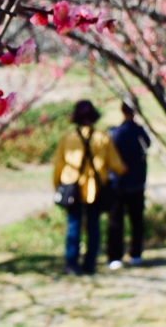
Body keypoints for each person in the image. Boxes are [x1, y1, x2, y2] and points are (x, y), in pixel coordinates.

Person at [53, 100, 125, 275]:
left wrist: (57, 186)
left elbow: (58, 165)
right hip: (96, 188)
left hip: (72, 188)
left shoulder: (68, 138)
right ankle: (90, 264)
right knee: (93, 227)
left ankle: (71, 264)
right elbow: (115, 163)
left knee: (74, 226)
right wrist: (123, 169)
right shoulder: (102, 137)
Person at [107, 102, 151, 270]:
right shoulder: (141, 134)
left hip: (118, 183)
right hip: (137, 182)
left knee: (116, 220)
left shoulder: (114, 133)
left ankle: (115, 256)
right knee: (136, 220)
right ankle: (136, 254)